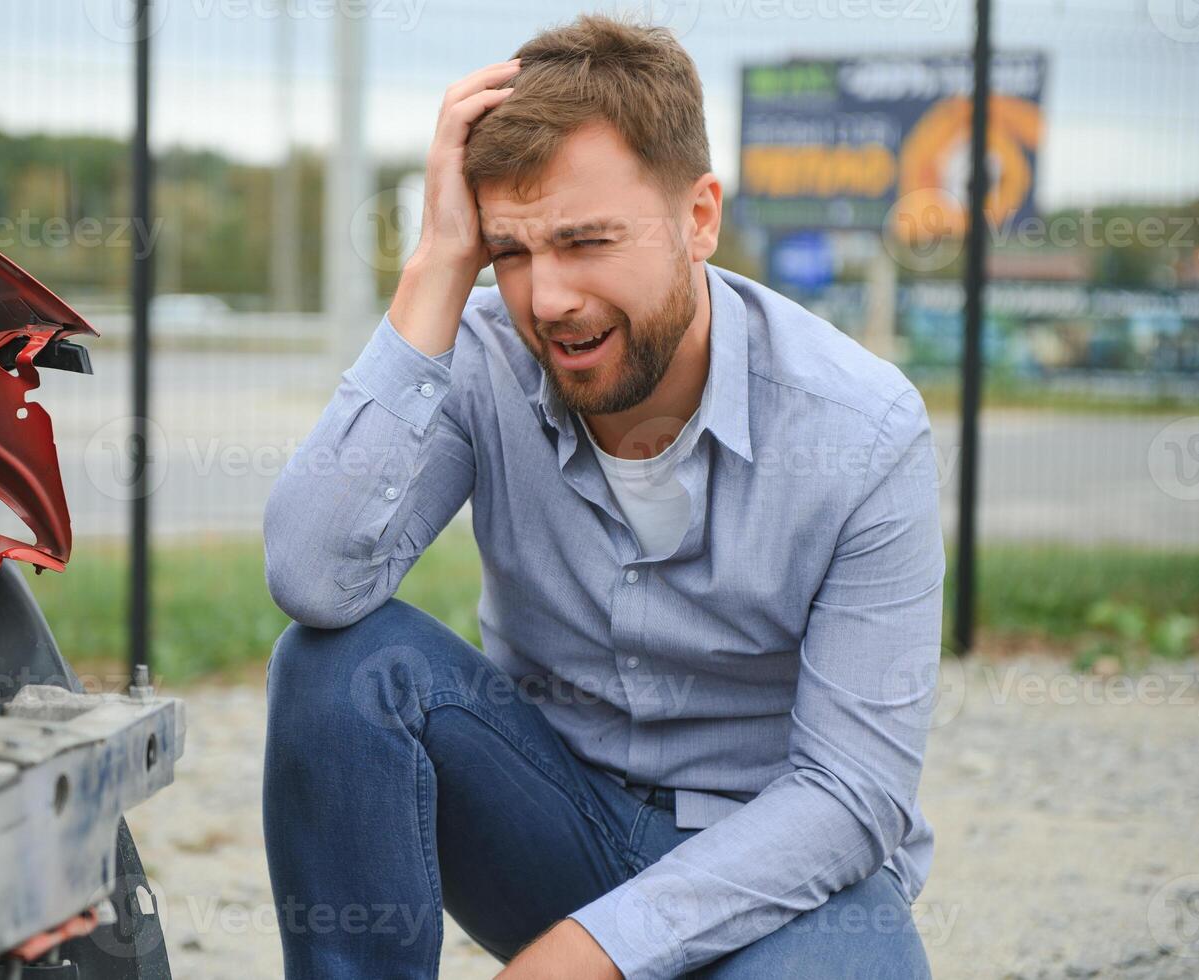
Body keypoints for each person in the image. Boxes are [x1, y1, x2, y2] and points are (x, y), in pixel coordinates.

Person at [260, 14, 943, 979]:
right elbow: (312, 577)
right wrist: (436, 269)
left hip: (773, 883)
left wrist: (588, 957)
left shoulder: (861, 429)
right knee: (339, 667)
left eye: (586, 241)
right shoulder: (482, 347)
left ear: (698, 217)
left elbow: (848, 795)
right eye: (512, 250)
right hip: (552, 832)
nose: (548, 300)